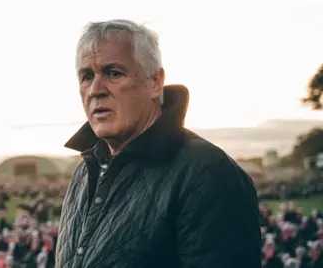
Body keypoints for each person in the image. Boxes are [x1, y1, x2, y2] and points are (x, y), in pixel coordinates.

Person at [55, 19, 261, 268]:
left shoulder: (208, 173)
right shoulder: (84, 171)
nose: (96, 89)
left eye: (113, 73)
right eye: (86, 76)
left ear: (155, 82)